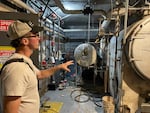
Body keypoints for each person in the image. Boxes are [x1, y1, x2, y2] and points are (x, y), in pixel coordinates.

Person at [0, 20, 74, 113]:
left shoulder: (24, 61)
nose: (39, 38)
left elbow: (39, 74)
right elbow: (9, 110)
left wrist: (59, 67)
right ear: (25, 41)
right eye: (35, 35)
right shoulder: (17, 69)